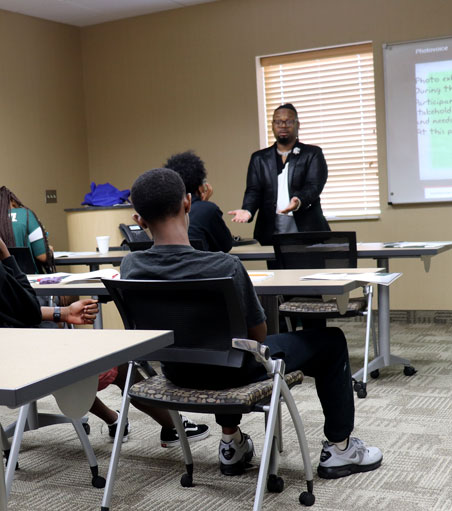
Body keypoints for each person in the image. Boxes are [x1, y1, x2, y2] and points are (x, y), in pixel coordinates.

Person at [0, 165, 208, 449]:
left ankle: (114, 419)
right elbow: (27, 311)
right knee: (120, 362)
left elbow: (1, 317)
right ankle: (173, 430)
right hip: (23, 366)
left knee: (71, 351)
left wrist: (62, 313)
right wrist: (4, 252)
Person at [123, 168, 381, 479]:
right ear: (188, 203)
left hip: (176, 372)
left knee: (221, 347)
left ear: (139, 220)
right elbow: (258, 336)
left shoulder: (131, 265)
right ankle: (341, 449)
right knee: (331, 341)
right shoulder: (225, 265)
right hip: (233, 373)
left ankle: (231, 444)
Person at [228, 103, 330, 245]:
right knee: (278, 268)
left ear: (297, 125)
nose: (283, 125)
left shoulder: (312, 154)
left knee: (309, 267)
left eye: (288, 121)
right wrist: (248, 210)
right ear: (272, 125)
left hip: (308, 230)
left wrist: (298, 200)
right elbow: (254, 190)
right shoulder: (259, 158)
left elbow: (314, 186)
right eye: (278, 121)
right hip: (271, 233)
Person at [164, 150, 233, 252]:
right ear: (201, 186)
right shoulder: (208, 209)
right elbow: (225, 246)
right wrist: (203, 204)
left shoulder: (163, 209)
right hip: (199, 266)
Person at [0, 185, 54, 271]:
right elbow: (42, 256)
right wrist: (49, 250)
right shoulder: (26, 215)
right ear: (12, 201)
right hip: (26, 277)